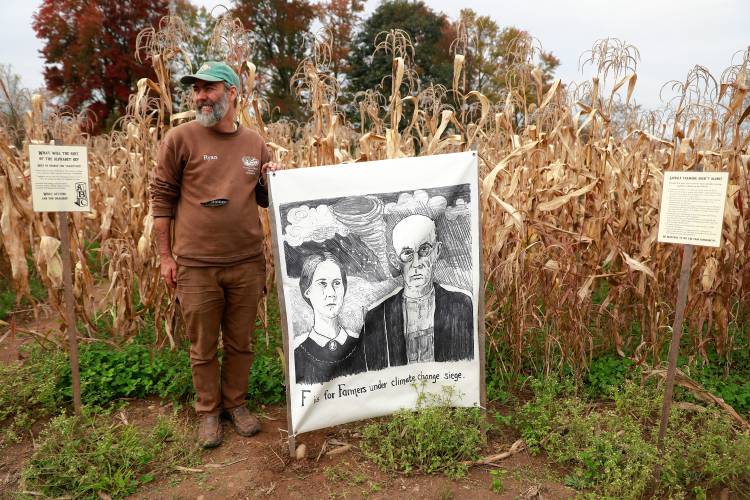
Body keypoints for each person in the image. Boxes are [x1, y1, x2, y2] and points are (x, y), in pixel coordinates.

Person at [150, 61, 282, 448]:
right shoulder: (180, 139)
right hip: (196, 265)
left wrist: (271, 178)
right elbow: (162, 200)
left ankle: (236, 404)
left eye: (209, 88)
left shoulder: (254, 143)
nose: (200, 97)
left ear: (232, 93)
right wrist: (165, 256)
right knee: (203, 345)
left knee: (241, 342)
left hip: (245, 262)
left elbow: (263, 200)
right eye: (196, 90)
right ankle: (209, 412)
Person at [361, 214, 474, 370]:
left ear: (437, 251)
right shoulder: (378, 316)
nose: (416, 263)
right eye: (407, 253)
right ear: (395, 261)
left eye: (424, 250)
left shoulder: (462, 305)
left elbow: (466, 369)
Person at [294, 253, 366, 384]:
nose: (331, 293)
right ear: (307, 291)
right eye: (322, 283)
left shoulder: (364, 349)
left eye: (337, 283)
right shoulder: (297, 357)